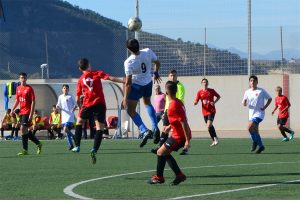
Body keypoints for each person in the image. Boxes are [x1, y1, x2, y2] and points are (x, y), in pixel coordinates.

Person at [72, 58, 124, 164]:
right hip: (100, 104)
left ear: (80, 68)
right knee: (100, 128)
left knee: (79, 122)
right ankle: (94, 149)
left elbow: (77, 98)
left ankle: (77, 146)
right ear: (89, 65)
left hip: (87, 104)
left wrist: (80, 107)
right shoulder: (96, 73)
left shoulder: (80, 79)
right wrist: (124, 80)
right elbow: (110, 78)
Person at [147, 81, 191, 185]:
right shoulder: (178, 102)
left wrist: (187, 141)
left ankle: (159, 177)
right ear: (176, 91)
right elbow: (181, 119)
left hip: (180, 137)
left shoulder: (172, 106)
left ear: (166, 92)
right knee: (164, 153)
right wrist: (169, 127)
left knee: (160, 152)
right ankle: (179, 175)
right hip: (177, 134)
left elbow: (184, 122)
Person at [122, 38, 161, 147]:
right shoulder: (148, 51)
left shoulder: (128, 62)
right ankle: (155, 127)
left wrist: (125, 98)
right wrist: (156, 73)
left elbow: (128, 83)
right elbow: (157, 62)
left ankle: (144, 130)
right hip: (148, 83)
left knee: (130, 110)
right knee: (147, 103)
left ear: (128, 49)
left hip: (136, 86)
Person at [151, 69, 186, 155]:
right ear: (168, 76)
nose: (172, 77)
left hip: (175, 110)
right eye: (171, 75)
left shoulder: (180, 86)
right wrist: (164, 111)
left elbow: (180, 100)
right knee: (164, 130)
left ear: (177, 76)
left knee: (179, 130)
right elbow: (167, 100)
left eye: (174, 75)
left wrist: (173, 108)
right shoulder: (168, 85)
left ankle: (185, 146)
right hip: (167, 110)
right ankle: (160, 148)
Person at [11, 72, 42, 155]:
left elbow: (33, 101)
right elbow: (17, 100)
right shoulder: (18, 88)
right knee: (24, 131)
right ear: (19, 79)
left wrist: (31, 114)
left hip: (27, 111)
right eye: (21, 78)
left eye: (24, 78)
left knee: (22, 129)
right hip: (21, 111)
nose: (23, 79)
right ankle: (37, 144)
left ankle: (26, 150)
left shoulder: (29, 89)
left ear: (26, 79)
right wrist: (12, 109)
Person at [242, 75, 272, 154]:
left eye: (254, 81)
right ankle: (261, 146)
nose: (252, 82)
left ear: (257, 82)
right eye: (251, 81)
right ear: (249, 82)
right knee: (254, 130)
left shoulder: (261, 91)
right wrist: (245, 102)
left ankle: (255, 142)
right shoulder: (247, 92)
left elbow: (269, 98)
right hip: (251, 114)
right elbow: (244, 103)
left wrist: (264, 107)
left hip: (259, 114)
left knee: (249, 128)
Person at [194, 78, 221, 147]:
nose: (204, 83)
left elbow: (218, 96)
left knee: (209, 125)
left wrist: (214, 102)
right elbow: (196, 101)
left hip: (211, 111)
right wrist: (195, 102)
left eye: (206, 82)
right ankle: (214, 139)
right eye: (203, 82)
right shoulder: (199, 92)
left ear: (207, 83)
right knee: (209, 127)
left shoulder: (211, 91)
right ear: (201, 84)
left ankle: (215, 139)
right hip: (204, 112)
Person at [56, 84, 77, 150]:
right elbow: (58, 105)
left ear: (68, 89)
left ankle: (74, 137)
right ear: (62, 89)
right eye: (64, 88)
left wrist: (73, 110)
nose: (65, 89)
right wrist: (57, 107)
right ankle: (71, 145)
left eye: (66, 88)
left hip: (70, 117)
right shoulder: (60, 97)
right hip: (64, 117)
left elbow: (75, 105)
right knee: (67, 132)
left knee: (65, 129)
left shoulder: (70, 96)